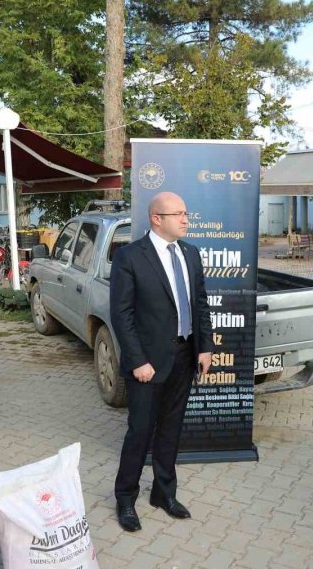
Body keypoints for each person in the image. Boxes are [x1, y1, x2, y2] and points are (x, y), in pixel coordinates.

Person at [110, 191, 213, 532]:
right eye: (178, 214)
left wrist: (205, 347)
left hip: (184, 357)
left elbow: (200, 304)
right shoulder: (129, 256)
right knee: (140, 432)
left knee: (171, 430)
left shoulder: (190, 254)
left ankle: (163, 493)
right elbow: (121, 314)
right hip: (148, 364)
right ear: (157, 218)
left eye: (186, 213)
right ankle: (125, 498)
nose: (186, 219)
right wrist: (138, 360)